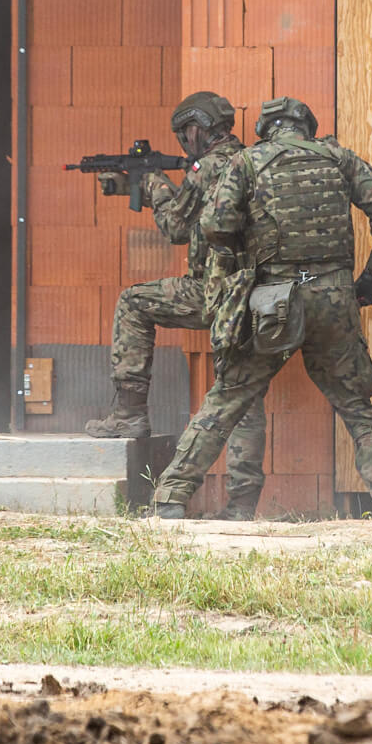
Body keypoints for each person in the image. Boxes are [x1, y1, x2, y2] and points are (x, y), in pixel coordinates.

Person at [150, 97, 372, 522]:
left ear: (265, 128)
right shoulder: (338, 157)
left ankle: (171, 499)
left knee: (229, 397)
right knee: (356, 406)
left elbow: (214, 226)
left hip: (273, 301)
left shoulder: (248, 162)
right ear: (306, 127)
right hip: (335, 298)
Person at [81, 91, 269, 521]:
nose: (185, 142)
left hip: (212, 291)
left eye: (186, 132)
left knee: (134, 302)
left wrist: (153, 186)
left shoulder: (209, 168)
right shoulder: (253, 160)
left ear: (199, 128)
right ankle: (241, 506)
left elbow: (176, 227)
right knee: (246, 399)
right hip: (254, 297)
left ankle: (128, 414)